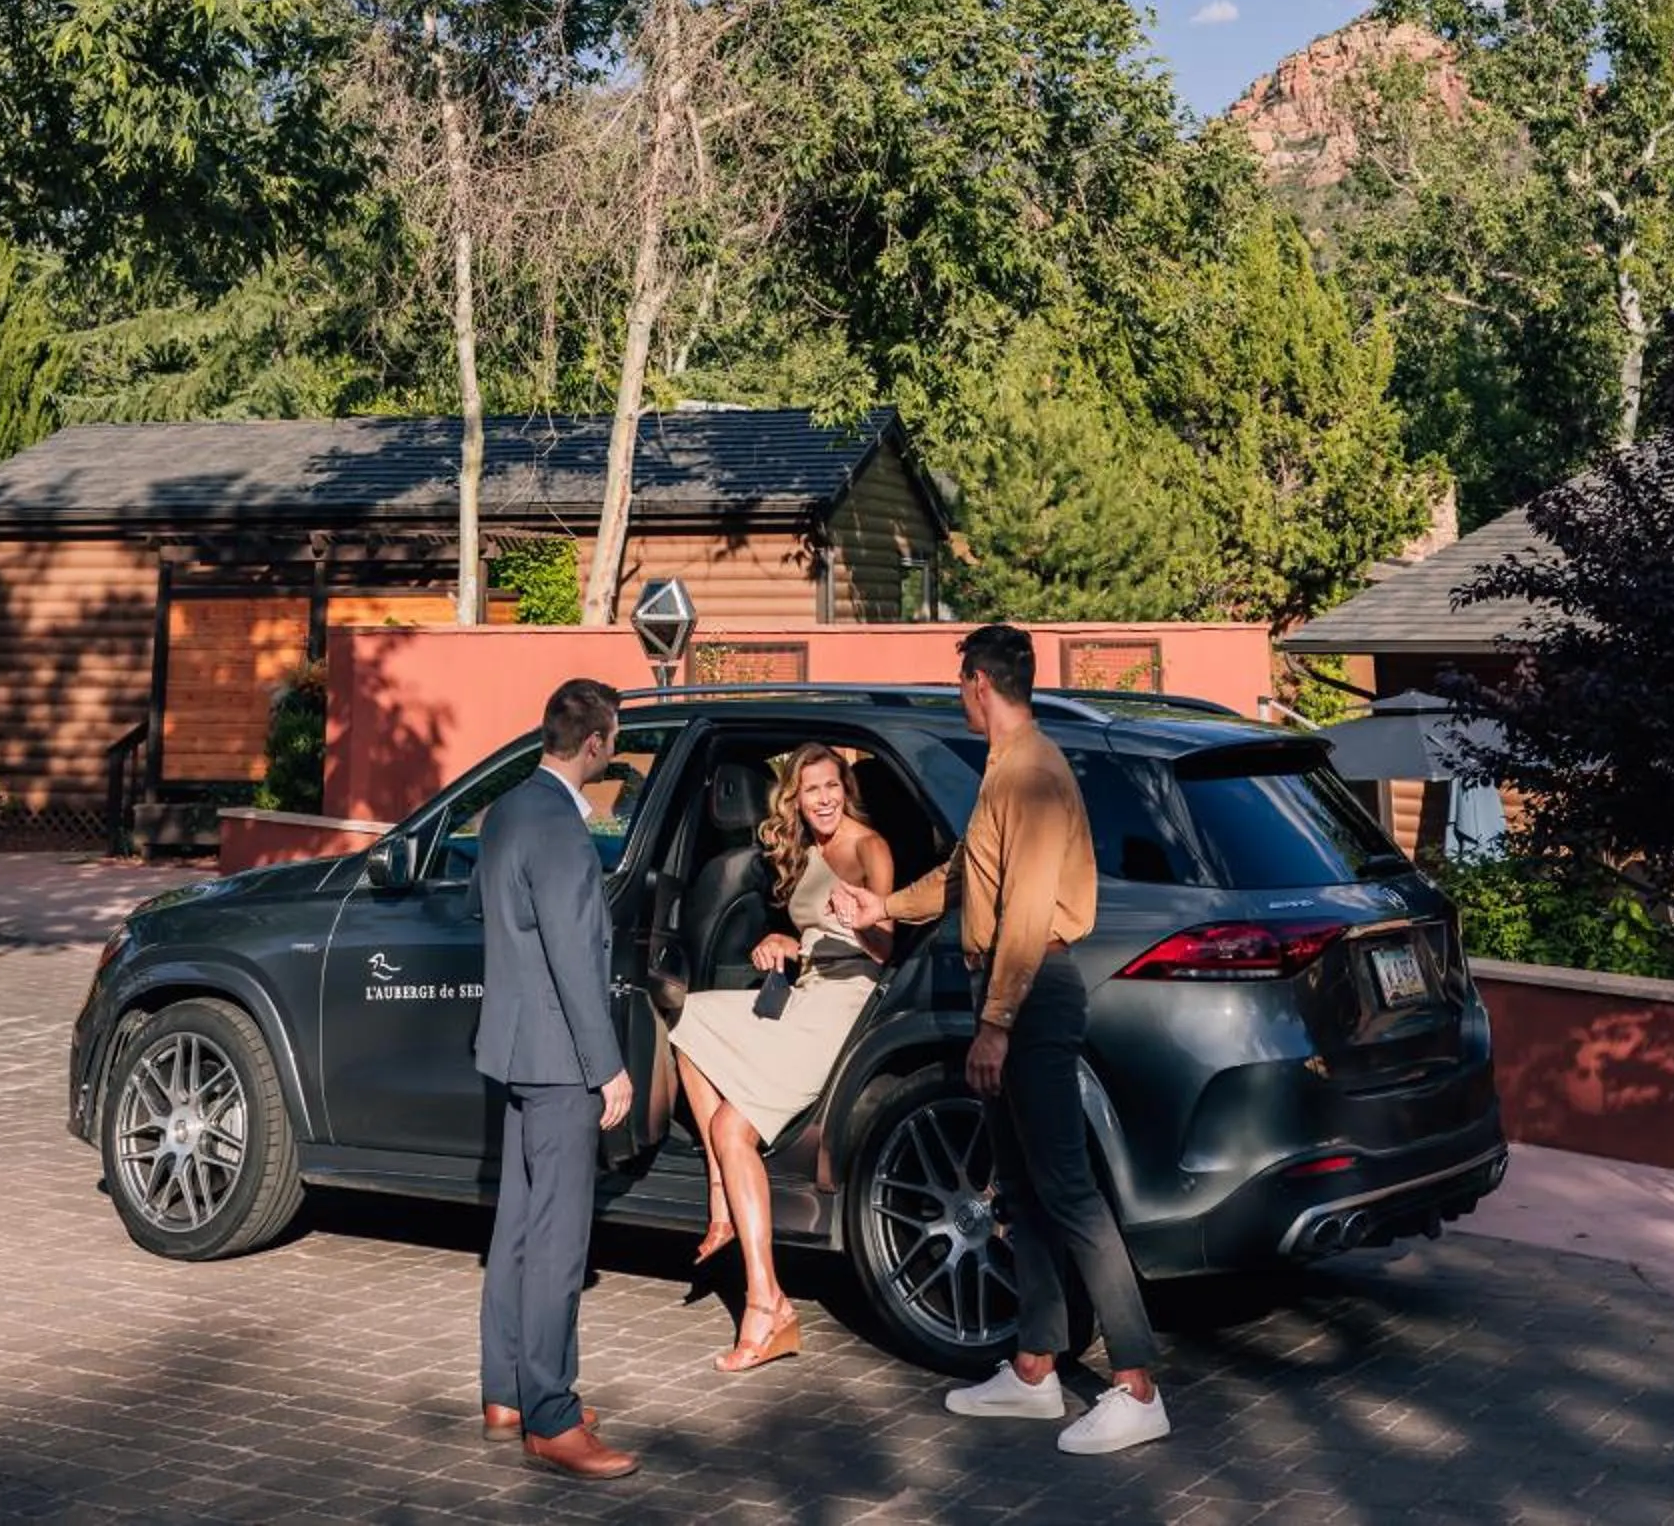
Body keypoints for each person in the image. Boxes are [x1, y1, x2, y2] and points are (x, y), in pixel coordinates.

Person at [830, 625, 1169, 1457]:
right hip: (1017, 991)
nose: (958, 695)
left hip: (1034, 994)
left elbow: (1023, 912)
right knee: (1021, 1187)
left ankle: (1137, 1386)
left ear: (981, 682)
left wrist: (995, 1024)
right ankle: (1031, 1369)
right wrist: (886, 908)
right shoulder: (1005, 773)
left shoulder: (1035, 773)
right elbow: (965, 876)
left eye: (960, 683)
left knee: (1069, 1191)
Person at [669, 743, 894, 1371]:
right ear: (794, 798)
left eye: (831, 786)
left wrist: (862, 921)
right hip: (804, 993)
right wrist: (785, 941)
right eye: (809, 789)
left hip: (844, 1003)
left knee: (729, 1125)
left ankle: (767, 1309)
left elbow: (886, 947)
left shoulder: (867, 847)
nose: (822, 799)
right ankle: (727, 1208)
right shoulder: (807, 850)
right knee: (687, 1017)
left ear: (845, 789)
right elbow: (814, 938)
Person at [474, 677, 642, 1482]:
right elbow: (578, 963)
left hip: (510, 1049)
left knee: (514, 1226)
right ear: (598, 744)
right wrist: (608, 1066)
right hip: (560, 1059)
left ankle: (504, 1391)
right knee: (558, 1239)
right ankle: (551, 1413)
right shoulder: (568, 835)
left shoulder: (506, 810)